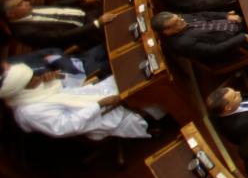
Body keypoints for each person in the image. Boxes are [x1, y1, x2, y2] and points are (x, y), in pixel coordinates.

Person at [0, 63, 150, 140]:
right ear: (20, 89)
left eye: (33, 75)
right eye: (31, 79)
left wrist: (59, 78)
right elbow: (67, 127)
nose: (37, 78)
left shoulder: (35, 89)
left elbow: (77, 88)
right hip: (100, 116)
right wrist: (99, 104)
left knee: (132, 72)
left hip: (97, 96)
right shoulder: (29, 112)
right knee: (148, 89)